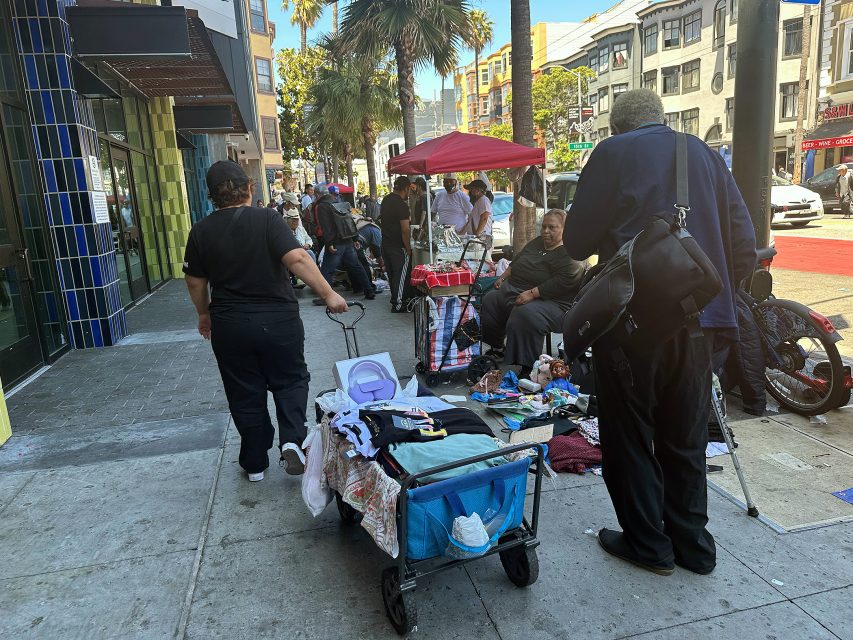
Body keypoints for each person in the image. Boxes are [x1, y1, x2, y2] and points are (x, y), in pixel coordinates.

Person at [565, 89, 756, 576]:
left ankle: (648, 544)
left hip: (633, 325)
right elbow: (744, 245)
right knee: (685, 437)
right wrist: (707, 298)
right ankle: (693, 546)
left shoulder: (612, 153)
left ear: (617, 127)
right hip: (702, 323)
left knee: (629, 435)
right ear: (662, 120)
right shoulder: (705, 155)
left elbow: (577, 241)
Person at [183, 161, 347, 483]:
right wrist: (329, 294)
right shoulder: (268, 219)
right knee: (290, 380)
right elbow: (298, 258)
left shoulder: (200, 230)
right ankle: (292, 439)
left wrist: (204, 314)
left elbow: (195, 282)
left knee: (244, 391)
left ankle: (255, 463)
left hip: (230, 325)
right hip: (278, 321)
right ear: (249, 188)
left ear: (211, 196)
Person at [480, 210, 585, 374]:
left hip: (555, 302)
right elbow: (517, 261)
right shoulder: (537, 243)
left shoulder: (571, 252)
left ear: (565, 229)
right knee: (491, 300)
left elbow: (565, 280)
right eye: (544, 227)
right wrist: (502, 277)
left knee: (525, 314)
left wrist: (533, 293)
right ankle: (498, 348)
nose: (546, 231)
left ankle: (527, 366)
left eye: (552, 227)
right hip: (518, 289)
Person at [313, 184, 375, 305]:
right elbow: (349, 221)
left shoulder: (322, 206)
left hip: (336, 242)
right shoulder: (338, 201)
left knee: (326, 269)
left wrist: (329, 243)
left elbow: (326, 226)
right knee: (356, 266)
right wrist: (355, 238)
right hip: (347, 240)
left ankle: (326, 297)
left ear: (317, 194)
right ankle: (369, 290)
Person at [380, 176, 414, 313]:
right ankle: (398, 303)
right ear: (406, 188)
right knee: (400, 275)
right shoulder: (401, 205)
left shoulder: (385, 200)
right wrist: (408, 248)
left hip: (386, 244)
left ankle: (396, 299)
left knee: (393, 274)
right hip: (398, 246)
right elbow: (405, 230)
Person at [464, 178, 494, 259]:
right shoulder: (479, 201)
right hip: (479, 237)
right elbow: (471, 221)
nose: (471, 191)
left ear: (479, 190)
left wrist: (477, 234)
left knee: (483, 261)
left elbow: (484, 217)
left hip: (483, 237)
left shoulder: (483, 200)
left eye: (473, 188)